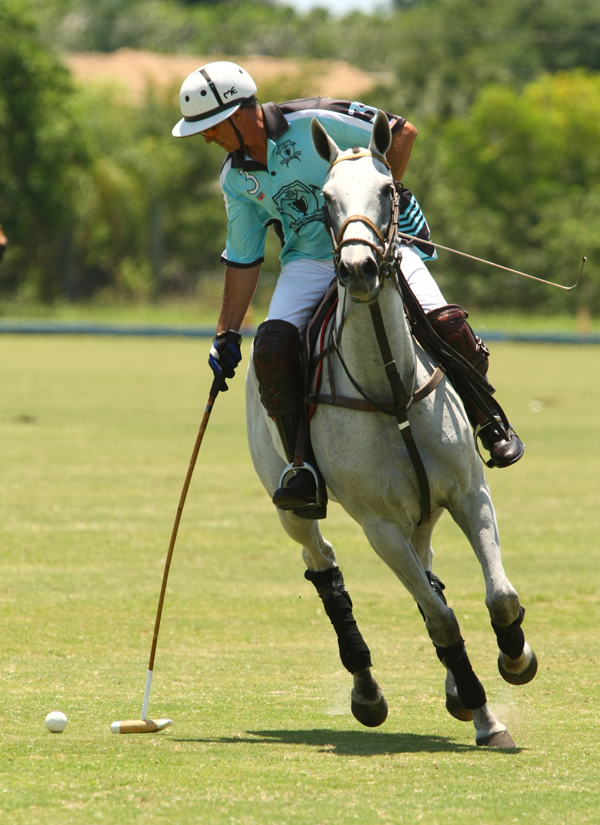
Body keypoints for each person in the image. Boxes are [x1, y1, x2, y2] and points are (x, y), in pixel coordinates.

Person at [172, 61, 524, 517]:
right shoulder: (236, 178)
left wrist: (384, 210)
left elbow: (402, 132)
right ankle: (303, 468)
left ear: (239, 114)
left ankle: (487, 419)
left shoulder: (318, 118)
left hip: (378, 246)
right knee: (273, 351)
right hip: (310, 261)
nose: (205, 137)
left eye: (209, 126)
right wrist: (225, 333)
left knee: (447, 324)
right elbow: (243, 257)